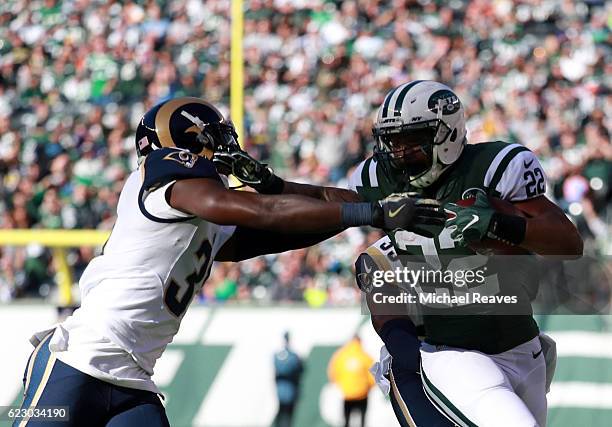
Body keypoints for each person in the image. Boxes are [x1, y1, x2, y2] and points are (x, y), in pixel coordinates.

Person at [13, 96, 448, 427]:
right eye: (216, 136)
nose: (226, 146)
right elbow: (266, 214)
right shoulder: (170, 177)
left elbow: (290, 226)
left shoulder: (202, 213)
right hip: (78, 360)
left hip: (135, 380)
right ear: (189, 141)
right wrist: (371, 214)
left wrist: (364, 208)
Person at [350, 81, 582, 426]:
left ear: (447, 134)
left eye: (412, 140)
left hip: (521, 346)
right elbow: (329, 204)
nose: (399, 153)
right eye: (393, 141)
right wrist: (275, 188)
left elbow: (568, 243)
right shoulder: (379, 186)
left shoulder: (493, 168)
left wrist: (500, 224)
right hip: (454, 353)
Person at [328, 335, 375, 427]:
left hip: (347, 394)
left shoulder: (341, 356)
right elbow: (373, 375)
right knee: (362, 421)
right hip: (363, 394)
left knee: (346, 420)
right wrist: (368, 387)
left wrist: (343, 385)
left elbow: (333, 372)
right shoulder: (364, 356)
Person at [273, 331, 303, 427]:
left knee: (284, 415)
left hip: (284, 391)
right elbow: (299, 369)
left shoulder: (280, 356)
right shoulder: (293, 357)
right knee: (286, 415)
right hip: (288, 391)